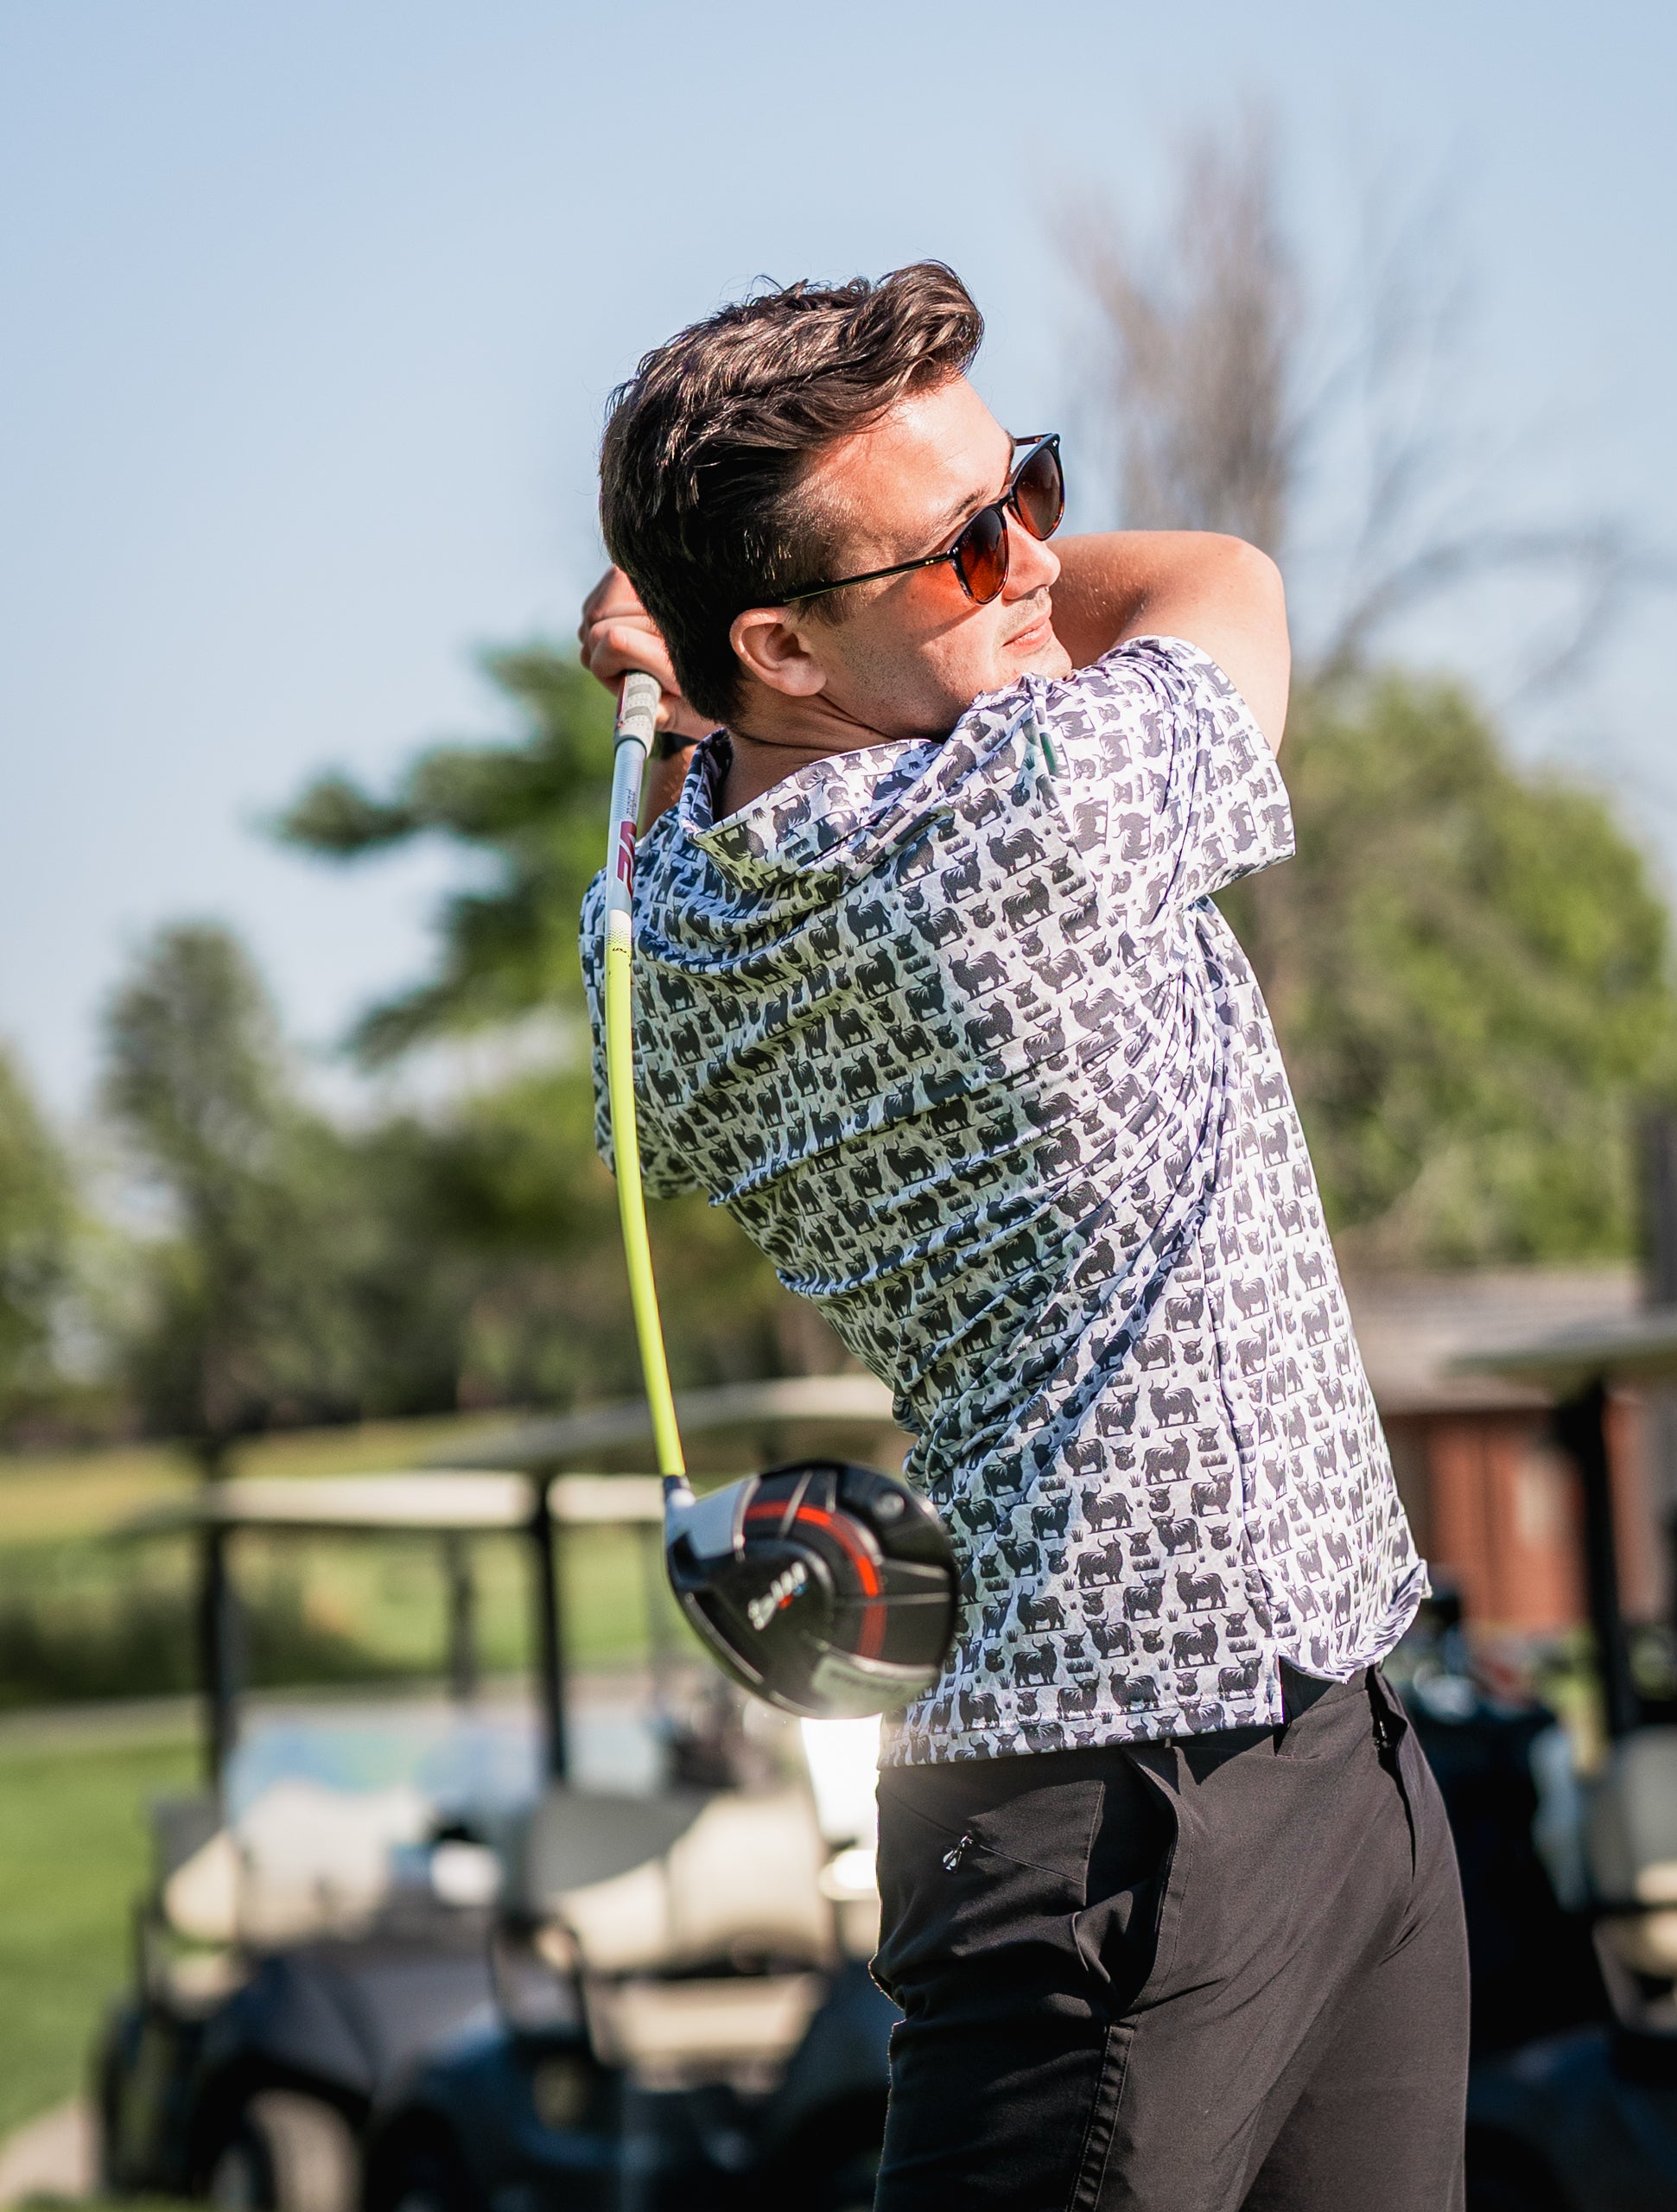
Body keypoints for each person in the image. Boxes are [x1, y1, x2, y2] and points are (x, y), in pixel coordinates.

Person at [578, 263, 1467, 2212]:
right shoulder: (1021, 820)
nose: (1038, 558)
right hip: (1125, 1841)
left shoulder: (646, 942)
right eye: (970, 546)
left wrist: (708, 677)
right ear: (786, 648)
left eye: (1032, 488)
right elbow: (1220, 579)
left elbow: (681, 799)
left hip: (1293, 1735)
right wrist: (676, 656)